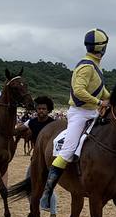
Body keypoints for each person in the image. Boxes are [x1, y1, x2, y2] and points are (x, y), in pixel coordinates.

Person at [41, 29, 110, 204]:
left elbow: (104, 93)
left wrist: (112, 100)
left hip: (92, 112)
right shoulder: (86, 66)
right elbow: (79, 91)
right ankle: (47, 193)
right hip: (79, 114)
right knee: (68, 151)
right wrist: (99, 102)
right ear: (102, 48)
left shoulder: (95, 67)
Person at [16, 96, 60, 217]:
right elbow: (19, 129)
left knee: (48, 187)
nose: (41, 111)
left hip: (49, 161)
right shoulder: (31, 122)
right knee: (29, 186)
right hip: (35, 160)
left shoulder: (53, 125)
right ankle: (34, 212)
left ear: (49, 110)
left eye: (44, 109)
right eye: (39, 108)